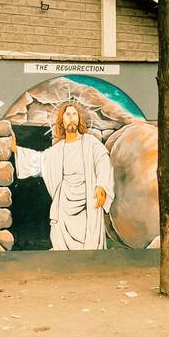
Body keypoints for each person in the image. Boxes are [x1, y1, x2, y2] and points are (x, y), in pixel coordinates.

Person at [14, 101, 115, 250]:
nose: (71, 118)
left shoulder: (90, 143)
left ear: (80, 119)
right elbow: (39, 160)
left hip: (88, 200)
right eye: (68, 115)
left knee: (90, 245)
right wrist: (15, 149)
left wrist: (101, 185)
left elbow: (103, 161)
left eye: (75, 114)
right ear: (61, 120)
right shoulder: (58, 150)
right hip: (64, 204)